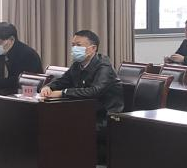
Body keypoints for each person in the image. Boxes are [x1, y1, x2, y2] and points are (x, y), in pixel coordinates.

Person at [39, 29, 124, 158]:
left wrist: (63, 93)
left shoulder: (104, 67)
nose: (74, 49)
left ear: (93, 48)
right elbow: (62, 81)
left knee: (66, 127)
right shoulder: (77, 65)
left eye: (78, 45)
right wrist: (48, 87)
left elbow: (95, 91)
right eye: (73, 45)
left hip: (105, 117)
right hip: (84, 112)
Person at [0, 22, 42, 93]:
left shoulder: (28, 54)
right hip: (4, 92)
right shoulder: (0, 53)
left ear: (12, 39)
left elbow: (18, 80)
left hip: (26, 94)